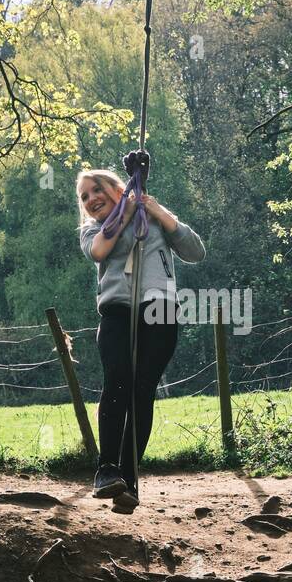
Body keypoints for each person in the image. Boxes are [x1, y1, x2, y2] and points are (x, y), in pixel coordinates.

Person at [77, 167, 206, 512]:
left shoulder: (153, 220)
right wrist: (126, 211)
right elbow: (100, 251)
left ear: (117, 187)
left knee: (142, 390)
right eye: (84, 196)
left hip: (160, 310)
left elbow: (195, 251)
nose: (90, 199)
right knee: (117, 380)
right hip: (118, 311)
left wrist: (154, 209)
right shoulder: (93, 230)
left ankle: (129, 481)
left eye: (96, 190)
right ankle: (107, 470)